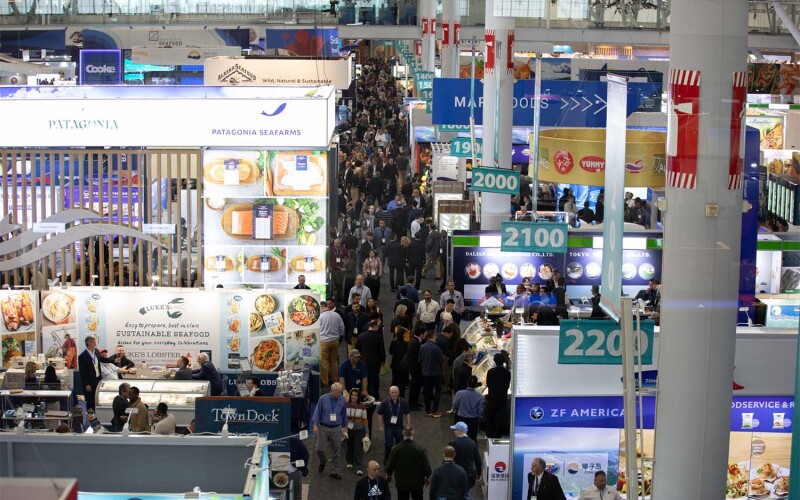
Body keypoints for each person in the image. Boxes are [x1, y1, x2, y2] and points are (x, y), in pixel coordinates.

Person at [312, 383, 348, 480]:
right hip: (323, 428)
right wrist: (315, 425)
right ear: (332, 391)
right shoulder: (323, 399)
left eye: (341, 392)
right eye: (338, 392)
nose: (340, 394)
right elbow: (317, 412)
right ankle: (323, 461)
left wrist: (345, 427)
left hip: (336, 428)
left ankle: (334, 470)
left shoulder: (342, 399)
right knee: (319, 449)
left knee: (337, 451)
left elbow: (344, 414)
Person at [385, 426, 431, 500]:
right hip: (417, 483)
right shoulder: (420, 448)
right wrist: (427, 476)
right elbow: (426, 464)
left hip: (402, 483)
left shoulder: (396, 449)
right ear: (413, 433)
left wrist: (388, 474)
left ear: (403, 433)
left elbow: (390, 465)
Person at [377, 385, 412, 465]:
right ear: (389, 393)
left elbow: (407, 413)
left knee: (400, 444)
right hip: (388, 427)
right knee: (389, 444)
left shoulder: (403, 402)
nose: (394, 394)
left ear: (398, 392)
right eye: (392, 392)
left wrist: (408, 424)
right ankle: (387, 458)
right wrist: (380, 425)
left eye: (396, 392)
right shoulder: (385, 403)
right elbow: (379, 414)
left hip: (399, 426)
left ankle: (398, 459)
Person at [78, 335, 115, 410]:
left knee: (97, 399)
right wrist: (86, 384)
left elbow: (103, 359)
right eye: (94, 342)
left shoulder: (96, 352)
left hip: (98, 380)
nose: (95, 344)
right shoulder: (82, 356)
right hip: (89, 382)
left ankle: (97, 415)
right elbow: (82, 372)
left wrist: (113, 360)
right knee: (90, 401)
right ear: (89, 343)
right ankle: (90, 417)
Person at [448, 421, 481, 499]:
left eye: (455, 429)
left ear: (459, 431)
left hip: (456, 475)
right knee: (466, 494)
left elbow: (448, 459)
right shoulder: (473, 443)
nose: (454, 431)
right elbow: (478, 460)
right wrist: (479, 473)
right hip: (469, 476)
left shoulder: (453, 443)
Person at [356, 319, 386, 401]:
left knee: (364, 377)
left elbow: (357, 349)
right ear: (375, 326)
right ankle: (375, 394)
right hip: (375, 362)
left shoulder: (361, 336)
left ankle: (365, 393)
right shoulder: (379, 337)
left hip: (363, 361)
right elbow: (381, 350)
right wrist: (383, 360)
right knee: (375, 378)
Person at [484, 353, 511, 439]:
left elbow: (488, 384)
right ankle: (498, 434)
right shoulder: (507, 372)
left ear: (494, 361)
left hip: (492, 397)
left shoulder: (491, 372)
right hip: (502, 398)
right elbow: (507, 385)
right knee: (500, 417)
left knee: (491, 416)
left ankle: (489, 433)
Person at [320, 299, 346, 388]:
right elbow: (342, 328)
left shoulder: (320, 317)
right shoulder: (336, 315)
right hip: (335, 341)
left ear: (321, 307)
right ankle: (335, 380)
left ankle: (325, 381)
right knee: (334, 361)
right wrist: (339, 338)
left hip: (324, 342)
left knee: (324, 362)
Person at [419, 330, 444, 417]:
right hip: (436, 373)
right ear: (433, 337)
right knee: (438, 392)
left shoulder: (422, 347)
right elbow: (442, 359)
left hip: (425, 373)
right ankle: (435, 410)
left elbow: (420, 359)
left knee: (427, 392)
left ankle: (427, 410)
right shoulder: (436, 348)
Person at [451, 376, 483, 442]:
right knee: (473, 438)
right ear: (476, 384)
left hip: (461, 418)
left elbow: (454, 405)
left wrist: (454, 409)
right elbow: (480, 410)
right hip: (473, 420)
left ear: (467, 383)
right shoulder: (479, 396)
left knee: (460, 437)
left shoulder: (459, 393)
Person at [345, 388, 369, 475]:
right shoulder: (345, 405)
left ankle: (359, 467)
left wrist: (367, 432)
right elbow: (343, 418)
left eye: (356, 395)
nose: (354, 397)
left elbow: (365, 420)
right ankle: (350, 462)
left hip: (359, 430)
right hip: (348, 429)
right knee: (349, 446)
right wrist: (343, 428)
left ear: (358, 397)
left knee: (358, 448)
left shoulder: (362, 406)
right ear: (350, 395)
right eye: (352, 395)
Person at [404, 326, 425, 411]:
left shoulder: (414, 340)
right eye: (425, 333)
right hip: (415, 367)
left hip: (414, 367)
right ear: (421, 334)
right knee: (415, 386)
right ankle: (412, 403)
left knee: (416, 385)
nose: (426, 334)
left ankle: (415, 402)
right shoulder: (416, 343)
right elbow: (418, 356)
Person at [389, 326, 409, 399]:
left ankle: (392, 395)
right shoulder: (406, 343)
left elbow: (390, 352)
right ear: (403, 334)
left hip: (395, 364)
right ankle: (401, 397)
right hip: (403, 366)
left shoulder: (393, 342)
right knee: (402, 383)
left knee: (394, 380)